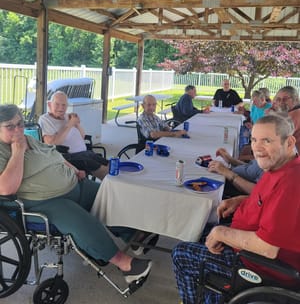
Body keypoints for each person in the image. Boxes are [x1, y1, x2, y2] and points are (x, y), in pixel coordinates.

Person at [0, 104, 152, 284]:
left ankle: (133, 237)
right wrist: (17, 153)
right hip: (44, 202)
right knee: (83, 221)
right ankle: (125, 265)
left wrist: (73, 168)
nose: (18, 129)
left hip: (73, 184)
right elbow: (5, 189)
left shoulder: (28, 139)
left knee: (109, 197)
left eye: (20, 123)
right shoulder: (5, 150)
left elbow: (52, 153)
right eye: (10, 126)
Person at [172, 114, 300, 304]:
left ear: (289, 142)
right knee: (198, 230)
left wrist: (221, 232)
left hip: (259, 266)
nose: (257, 148)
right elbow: (271, 200)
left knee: (181, 253)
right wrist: (241, 200)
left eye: (266, 140)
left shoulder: (291, 182)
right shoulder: (281, 166)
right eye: (254, 139)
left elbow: (268, 248)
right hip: (248, 247)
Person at [39, 91, 108, 180]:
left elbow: (82, 136)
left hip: (84, 153)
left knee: (106, 163)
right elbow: (52, 142)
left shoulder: (68, 117)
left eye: (64, 105)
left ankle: (116, 182)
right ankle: (111, 186)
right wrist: (70, 124)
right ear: (49, 105)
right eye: (57, 104)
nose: (61, 108)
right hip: (67, 157)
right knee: (101, 169)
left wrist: (77, 124)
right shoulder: (45, 119)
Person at [269, 86, 300, 152]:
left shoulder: (294, 114)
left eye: (285, 99)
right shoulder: (292, 112)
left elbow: (276, 136)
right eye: (278, 99)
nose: (281, 102)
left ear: (296, 100)